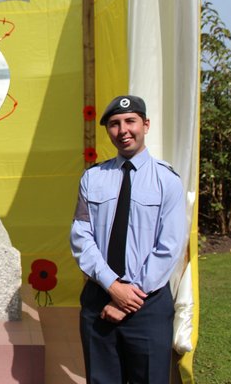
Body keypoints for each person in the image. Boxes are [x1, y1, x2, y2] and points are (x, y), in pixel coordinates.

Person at [70, 95, 186, 383]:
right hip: (99, 298)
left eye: (130, 121)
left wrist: (126, 298)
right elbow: (81, 236)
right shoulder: (92, 178)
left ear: (145, 125)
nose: (123, 130)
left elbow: (169, 246)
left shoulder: (167, 180)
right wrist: (111, 284)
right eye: (114, 124)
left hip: (148, 303)